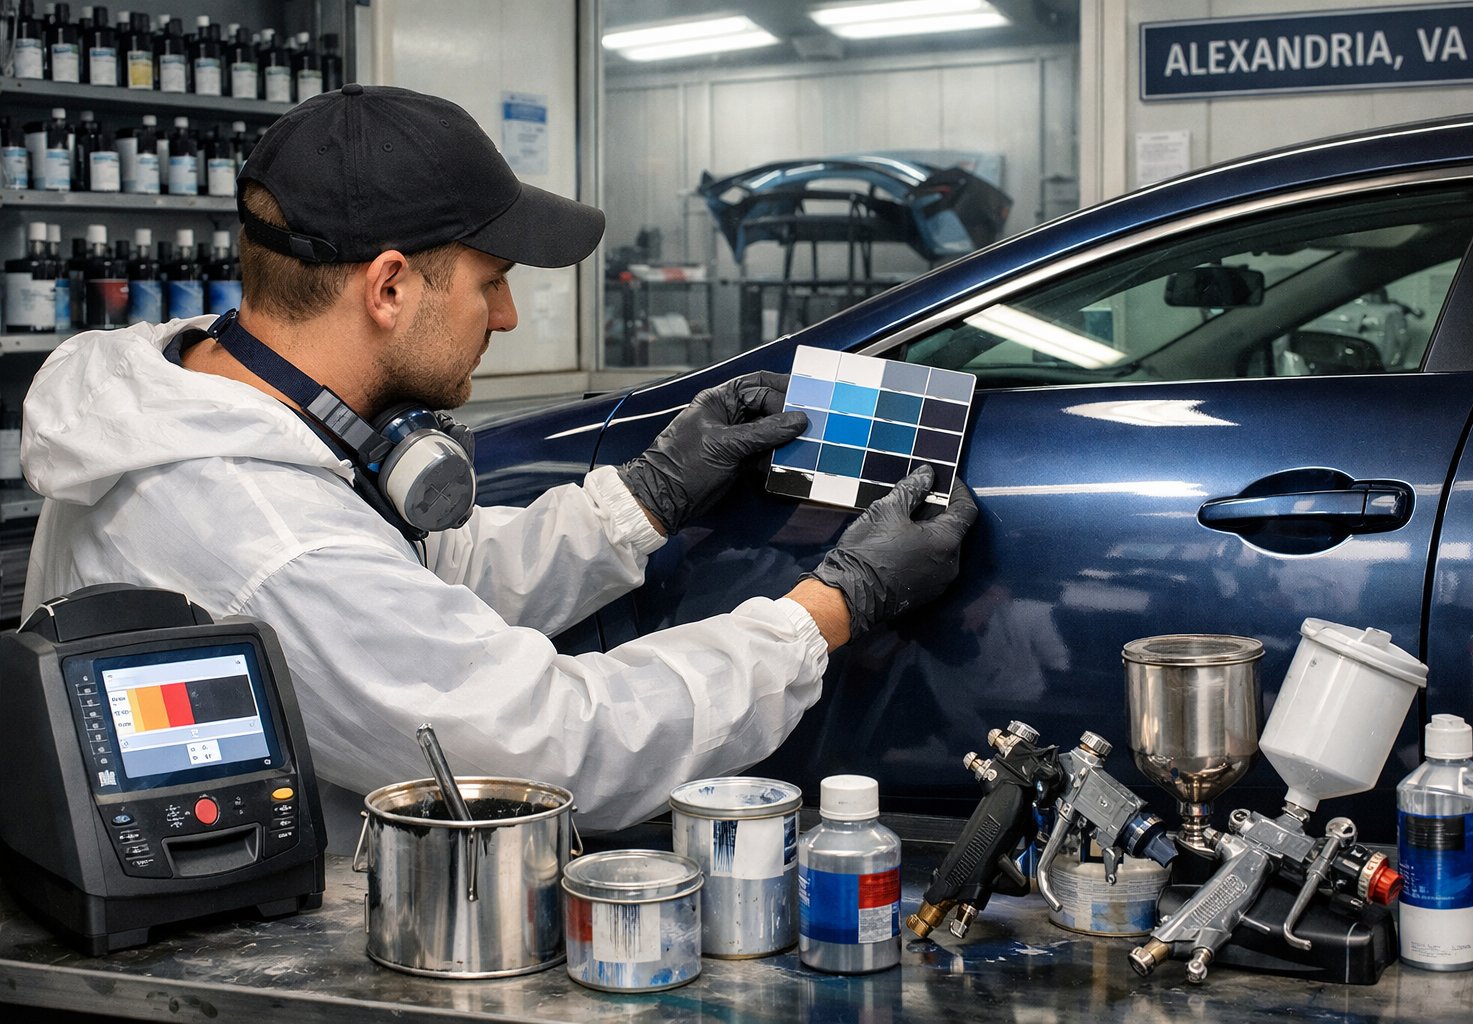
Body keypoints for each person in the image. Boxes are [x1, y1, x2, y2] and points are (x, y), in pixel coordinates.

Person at [20, 85, 976, 842]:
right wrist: (830, 609)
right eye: (493, 282)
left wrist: (646, 496)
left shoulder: (202, 401)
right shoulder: (270, 540)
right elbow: (564, 747)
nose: (508, 317)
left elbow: (429, 592)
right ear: (388, 287)